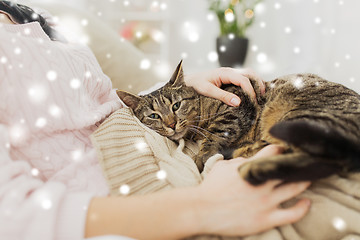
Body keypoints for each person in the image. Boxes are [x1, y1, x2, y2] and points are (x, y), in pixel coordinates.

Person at [0, 2, 311, 240]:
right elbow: (12, 217)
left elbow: (99, 109)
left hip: (173, 158)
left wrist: (181, 89)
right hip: (152, 202)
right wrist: (206, 207)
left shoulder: (32, 15)